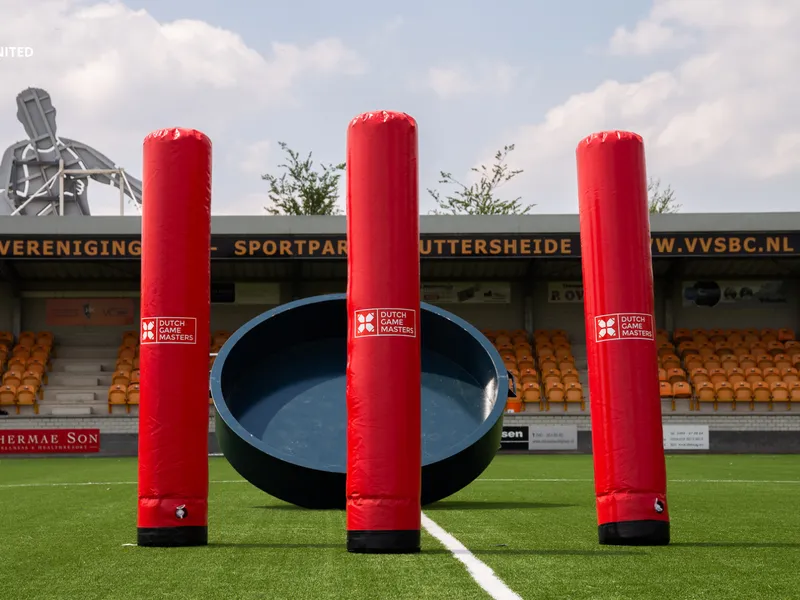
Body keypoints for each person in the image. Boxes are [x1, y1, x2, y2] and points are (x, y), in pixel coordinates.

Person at [0, 87, 142, 215]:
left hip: (71, 228)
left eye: (44, 113)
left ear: (53, 113)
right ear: (22, 119)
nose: (40, 122)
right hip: (29, 228)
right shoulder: (16, 153)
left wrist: (149, 195)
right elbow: (2, 195)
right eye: (32, 116)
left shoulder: (72, 151)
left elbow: (116, 176)